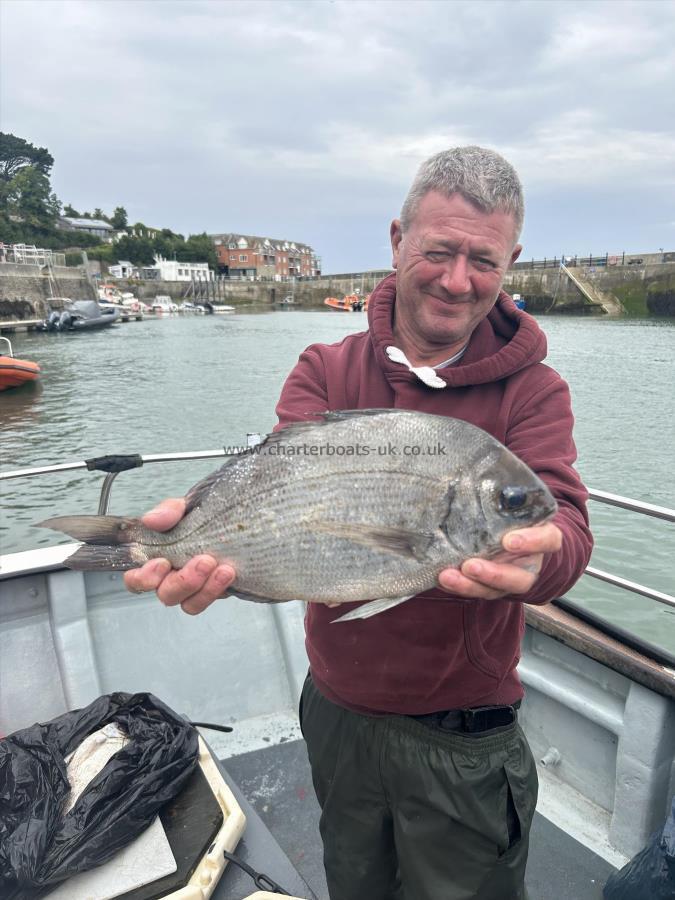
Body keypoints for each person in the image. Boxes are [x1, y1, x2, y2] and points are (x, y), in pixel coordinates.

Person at [125, 146, 593, 900]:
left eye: (483, 260)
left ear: (512, 260)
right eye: (437, 250)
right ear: (396, 239)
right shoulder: (323, 366)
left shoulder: (534, 391)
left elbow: (563, 524)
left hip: (463, 731)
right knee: (355, 883)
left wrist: (543, 559)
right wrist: (196, 544)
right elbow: (279, 501)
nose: (456, 279)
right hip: (336, 710)